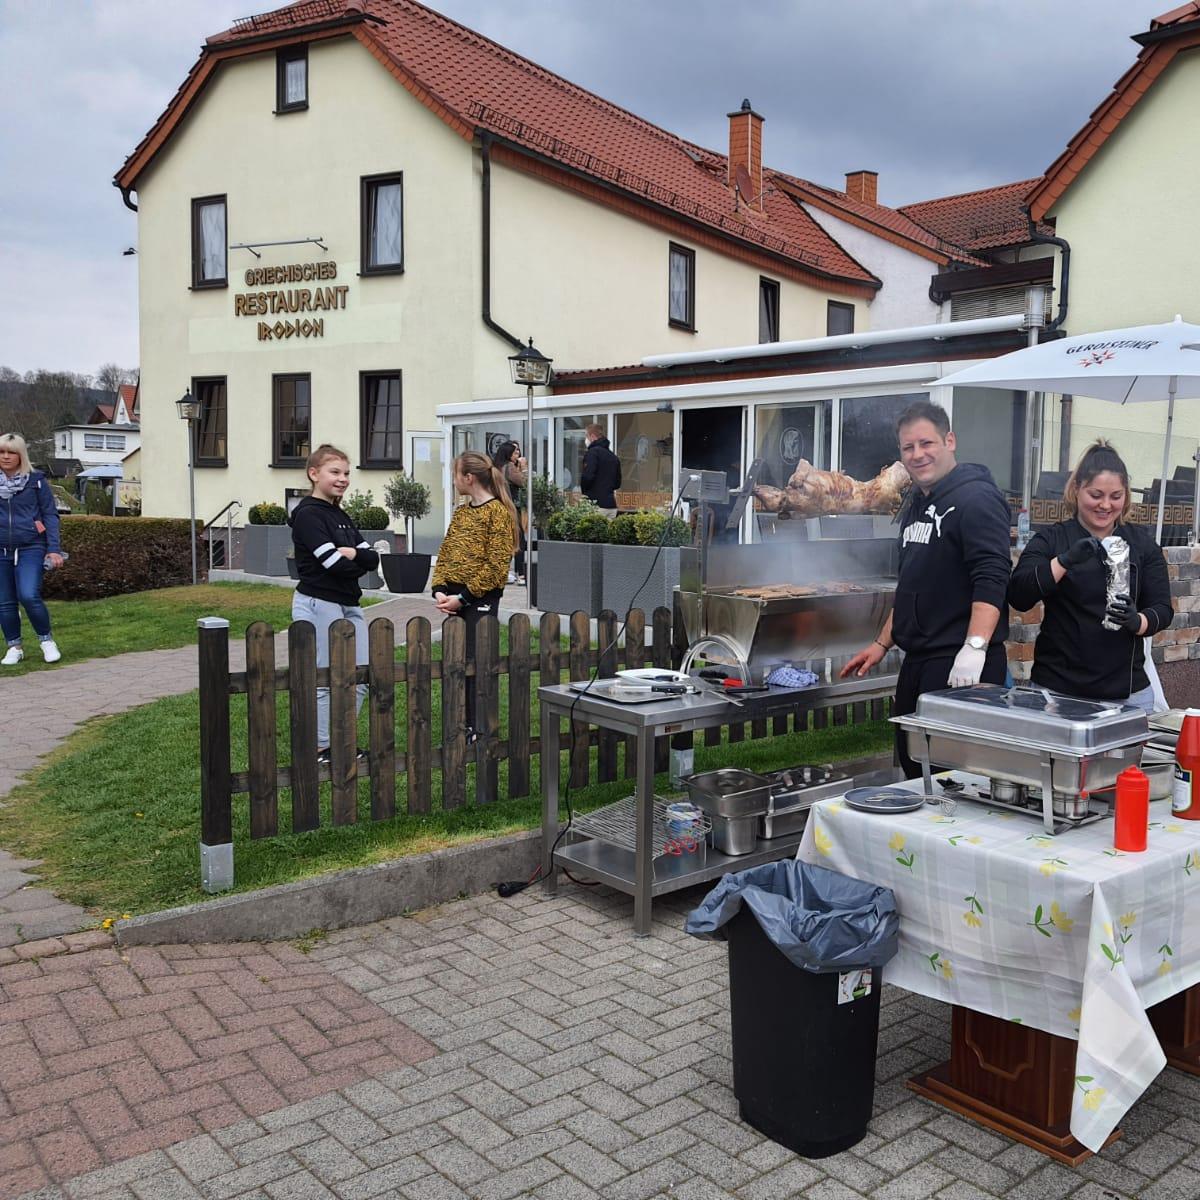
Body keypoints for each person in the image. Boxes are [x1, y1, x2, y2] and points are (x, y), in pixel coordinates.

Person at [842, 400, 1012, 777]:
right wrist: (882, 643)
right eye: (908, 447)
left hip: (958, 663)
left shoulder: (977, 500)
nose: (917, 454)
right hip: (919, 660)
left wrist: (975, 647)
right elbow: (912, 584)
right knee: (914, 763)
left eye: (926, 443)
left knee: (952, 775)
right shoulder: (918, 502)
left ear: (949, 441)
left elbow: (992, 576)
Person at [1009, 441, 1172, 714]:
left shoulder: (1142, 544)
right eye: (1096, 495)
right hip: (1057, 690)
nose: (1105, 505)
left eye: (1116, 496)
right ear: (1077, 489)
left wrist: (1137, 621)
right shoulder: (1053, 538)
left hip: (1127, 693)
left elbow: (1163, 609)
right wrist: (1064, 561)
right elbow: (1019, 595)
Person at [288, 443, 380, 764]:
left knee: (361, 676)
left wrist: (353, 554)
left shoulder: (339, 514)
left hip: (349, 603)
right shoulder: (308, 515)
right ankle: (322, 748)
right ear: (314, 474)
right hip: (318, 602)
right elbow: (333, 564)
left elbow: (372, 558)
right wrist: (357, 560)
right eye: (335, 472)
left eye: (346, 473)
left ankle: (344, 740)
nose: (343, 479)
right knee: (325, 679)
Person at [431, 451, 519, 737]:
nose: (454, 480)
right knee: (456, 661)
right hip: (454, 598)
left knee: (476, 662)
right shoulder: (462, 512)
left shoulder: (497, 513)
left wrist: (464, 598)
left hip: (479, 599)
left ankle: (478, 726)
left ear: (468, 478)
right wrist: (440, 590)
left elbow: (496, 566)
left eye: (455, 475)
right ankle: (461, 722)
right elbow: (446, 552)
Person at [0, 433, 63, 665]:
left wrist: (54, 549)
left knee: (28, 594)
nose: (6, 456)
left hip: (31, 546)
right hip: (1, 550)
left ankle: (46, 641)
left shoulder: (36, 481)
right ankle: (14, 647)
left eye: (11, 452)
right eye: (1, 452)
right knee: (5, 602)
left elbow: (50, 515)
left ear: (21, 455)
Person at [492, 439, 528, 584]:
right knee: (519, 541)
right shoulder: (510, 467)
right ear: (508, 454)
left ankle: (505, 572)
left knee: (506, 540)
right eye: (515, 452)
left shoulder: (497, 468)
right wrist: (524, 468)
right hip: (512, 508)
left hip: (501, 507)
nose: (518, 454)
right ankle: (521, 575)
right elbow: (525, 482)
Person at [580, 423, 622, 514]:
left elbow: (587, 477)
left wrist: (585, 493)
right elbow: (617, 484)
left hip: (595, 505)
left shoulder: (592, 453)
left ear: (592, 437)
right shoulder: (613, 456)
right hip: (611, 505)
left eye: (586, 436)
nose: (586, 440)